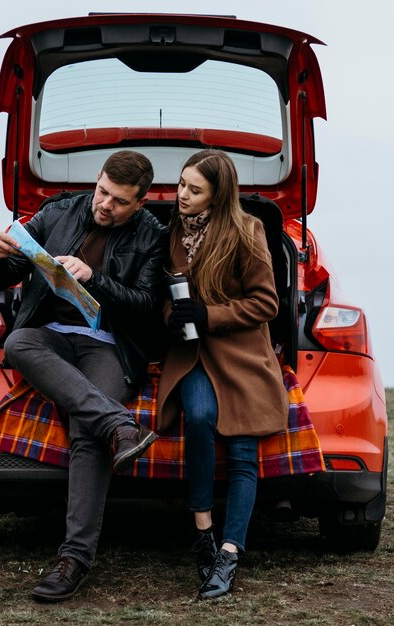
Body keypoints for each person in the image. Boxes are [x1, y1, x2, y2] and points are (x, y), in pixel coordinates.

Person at [0, 150, 167, 602]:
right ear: (97, 180)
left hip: (109, 343)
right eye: (103, 191)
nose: (105, 205)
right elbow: (4, 276)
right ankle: (121, 425)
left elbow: (146, 306)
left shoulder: (152, 235)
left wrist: (95, 280)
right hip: (50, 335)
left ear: (140, 202)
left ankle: (74, 559)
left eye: (119, 201)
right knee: (18, 343)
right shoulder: (57, 213)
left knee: (87, 431)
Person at [157, 149, 289, 599]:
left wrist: (209, 314)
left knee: (242, 451)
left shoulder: (249, 232)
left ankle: (229, 553)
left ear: (218, 195)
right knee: (196, 417)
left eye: (194, 190)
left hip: (241, 355)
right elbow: (167, 294)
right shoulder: (174, 231)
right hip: (192, 353)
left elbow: (266, 303)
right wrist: (172, 315)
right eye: (181, 185)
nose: (182, 196)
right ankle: (203, 535)